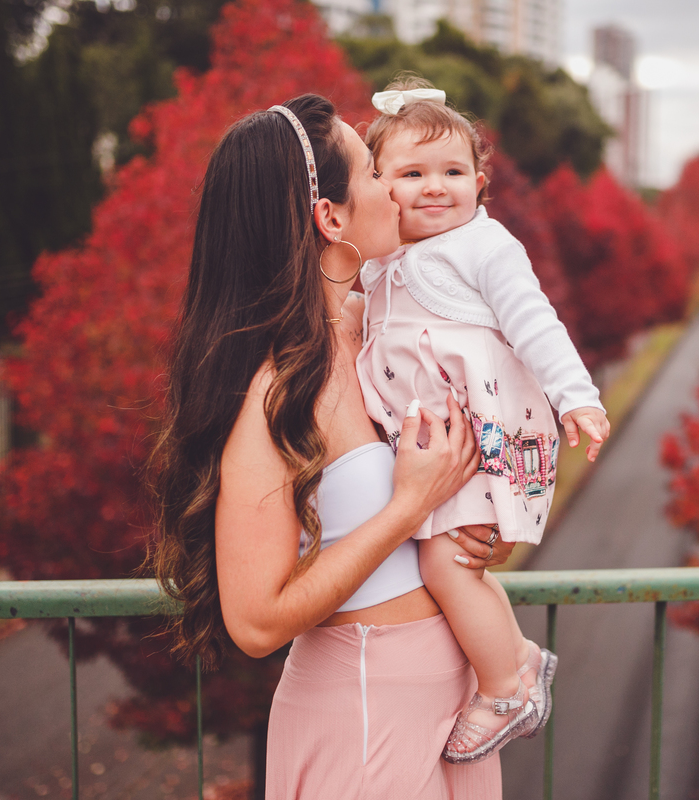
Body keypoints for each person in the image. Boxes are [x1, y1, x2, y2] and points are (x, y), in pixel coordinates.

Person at [149, 94, 511, 799]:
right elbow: (255, 622)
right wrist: (407, 509)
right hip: (365, 717)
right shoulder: (272, 393)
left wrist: (468, 520)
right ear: (331, 217)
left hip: (446, 704)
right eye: (375, 173)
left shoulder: (372, 331)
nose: (395, 187)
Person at [357, 78, 612, 764]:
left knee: (450, 559)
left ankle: (507, 687)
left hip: (483, 439)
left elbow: (535, 322)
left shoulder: (483, 246)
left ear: (480, 184)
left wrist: (576, 396)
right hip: (433, 444)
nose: (436, 188)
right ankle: (519, 654)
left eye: (453, 172)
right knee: (451, 560)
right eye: (413, 174)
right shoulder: (378, 261)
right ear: (376, 184)